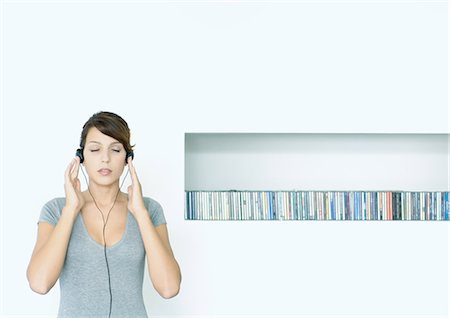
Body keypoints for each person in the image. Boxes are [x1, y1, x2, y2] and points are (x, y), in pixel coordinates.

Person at [26, 111, 181, 317]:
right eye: (95, 149)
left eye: (115, 149)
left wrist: (140, 213)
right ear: (81, 157)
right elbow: (40, 283)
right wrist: (70, 210)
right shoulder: (55, 210)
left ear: (128, 158)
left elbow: (169, 288)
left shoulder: (149, 209)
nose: (105, 158)